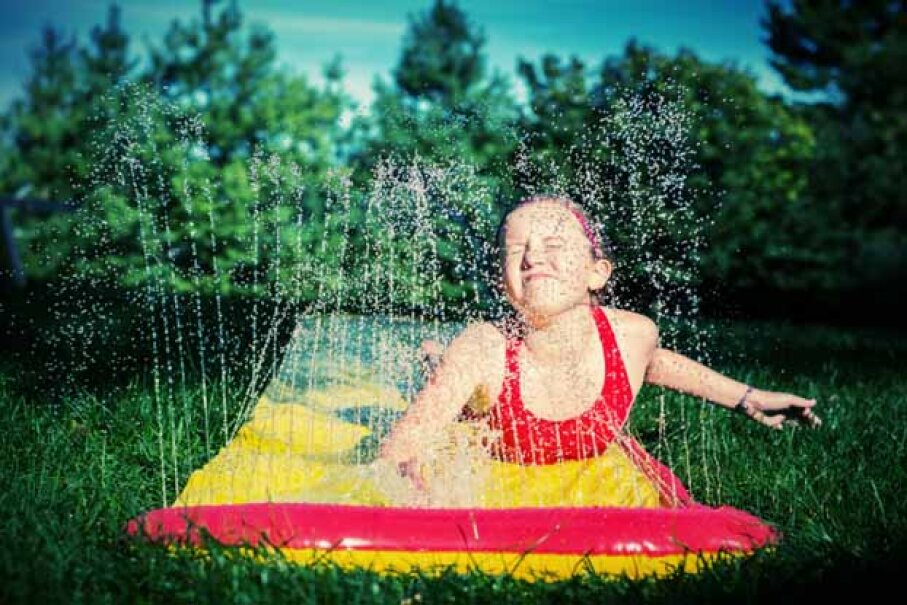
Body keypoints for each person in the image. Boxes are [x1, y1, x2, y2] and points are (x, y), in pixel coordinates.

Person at [378, 194, 821, 508]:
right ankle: (435, 360)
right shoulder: (482, 348)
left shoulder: (633, 335)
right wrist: (424, 495)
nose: (533, 258)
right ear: (501, 283)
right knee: (451, 378)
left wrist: (748, 398)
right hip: (479, 413)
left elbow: (653, 364)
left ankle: (435, 356)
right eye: (516, 253)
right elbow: (395, 453)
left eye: (553, 246)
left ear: (597, 272)